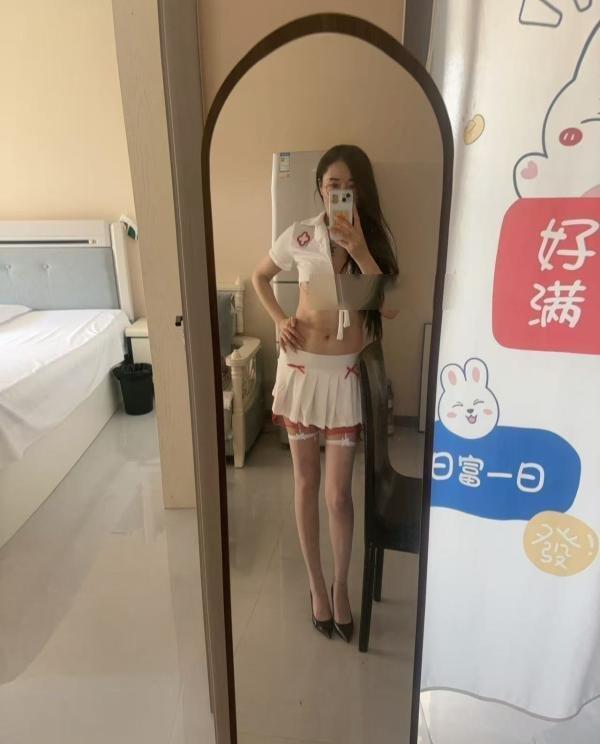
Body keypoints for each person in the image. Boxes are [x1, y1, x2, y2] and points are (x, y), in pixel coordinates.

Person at [252, 144, 398, 642]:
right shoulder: (300, 233)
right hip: (300, 371)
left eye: (350, 185)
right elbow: (260, 276)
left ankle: (340, 586)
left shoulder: (371, 239)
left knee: (338, 495)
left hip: (343, 378)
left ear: (362, 190)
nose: (341, 192)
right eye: (333, 184)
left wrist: (358, 249)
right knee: (306, 484)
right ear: (320, 187)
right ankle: (316, 586)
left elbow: (384, 302)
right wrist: (279, 320)